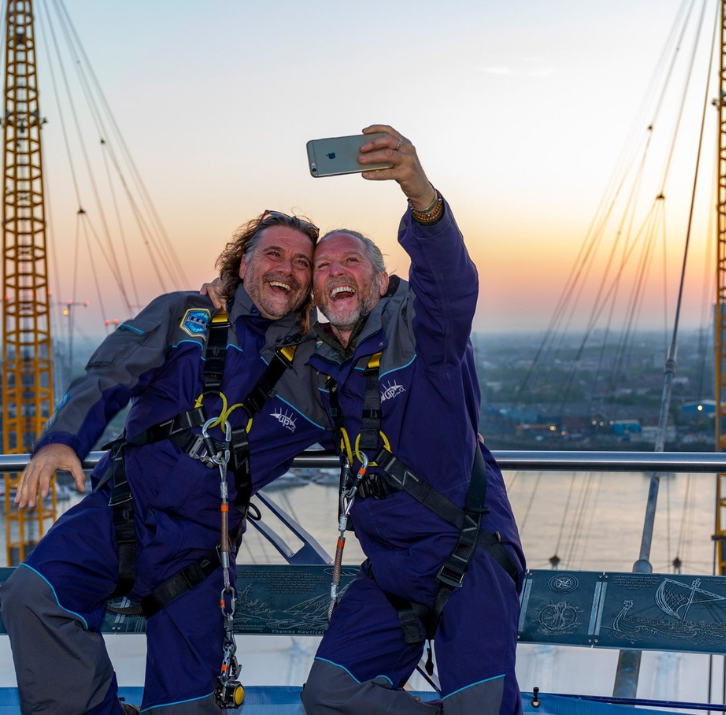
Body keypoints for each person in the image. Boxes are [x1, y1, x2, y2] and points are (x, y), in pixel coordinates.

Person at [0, 210, 329, 715]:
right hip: (121, 511)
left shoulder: (317, 367)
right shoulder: (184, 314)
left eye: (302, 262)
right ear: (243, 265)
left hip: (200, 548)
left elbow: (387, 408)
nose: (288, 267)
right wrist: (63, 438)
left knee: (190, 705)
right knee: (32, 596)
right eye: (274, 254)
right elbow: (111, 373)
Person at [299, 125, 526, 715]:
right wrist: (224, 307)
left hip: (469, 552)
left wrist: (419, 194)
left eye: (352, 260)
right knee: (328, 697)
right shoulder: (319, 367)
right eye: (323, 266)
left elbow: (450, 283)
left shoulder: (426, 335)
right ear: (316, 294)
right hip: (393, 571)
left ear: (378, 280)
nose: (336, 270)